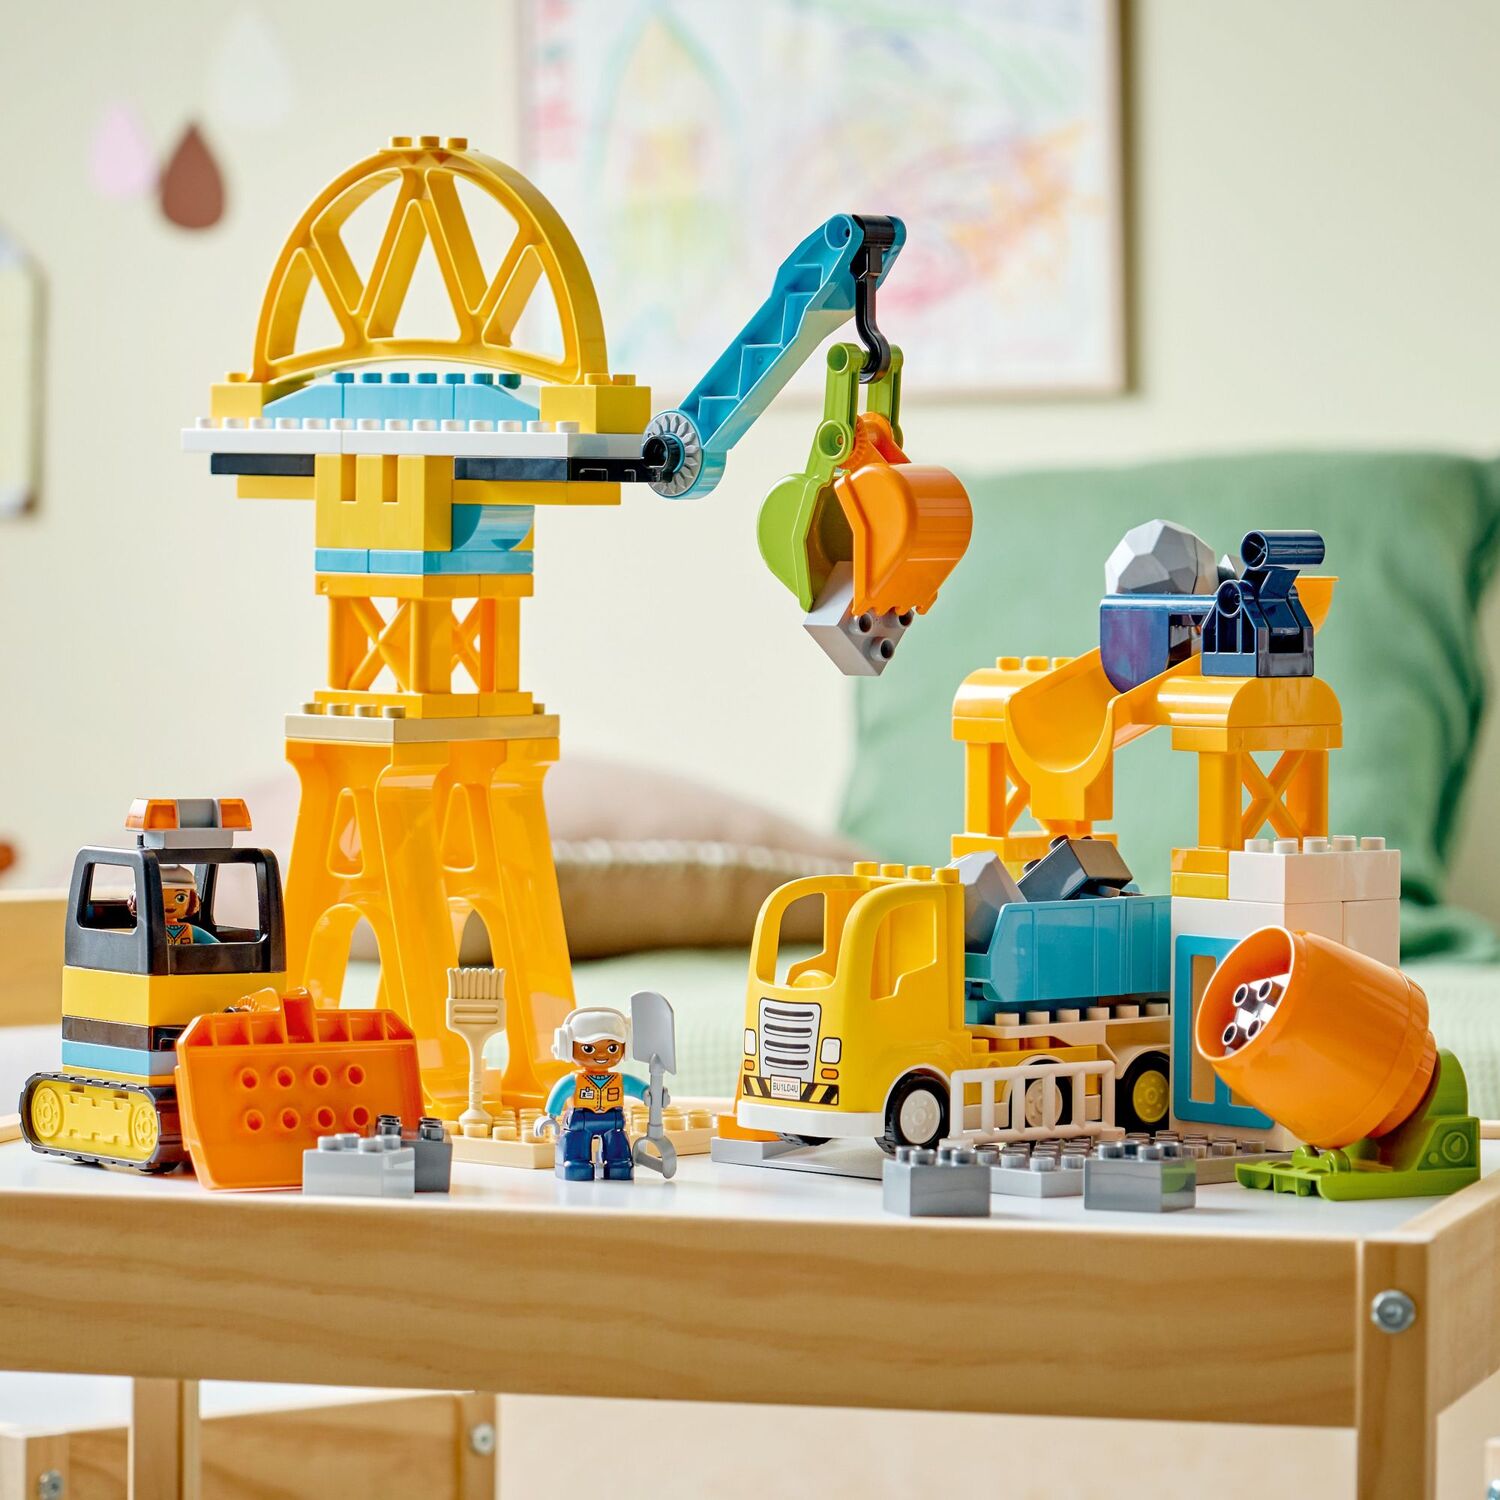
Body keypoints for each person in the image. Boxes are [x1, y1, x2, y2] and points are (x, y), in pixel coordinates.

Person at [542, 1007, 648, 1181]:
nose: (601, 1054)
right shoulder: (575, 1080)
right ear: (566, 1047)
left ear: (626, 1047)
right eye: (588, 1048)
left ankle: (618, 1163)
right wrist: (551, 1116)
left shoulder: (619, 1080)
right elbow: (560, 1092)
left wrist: (648, 1093)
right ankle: (575, 1163)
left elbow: (638, 1088)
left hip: (613, 1119)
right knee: (576, 1142)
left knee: (617, 1142)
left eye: (612, 1047)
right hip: (580, 1120)